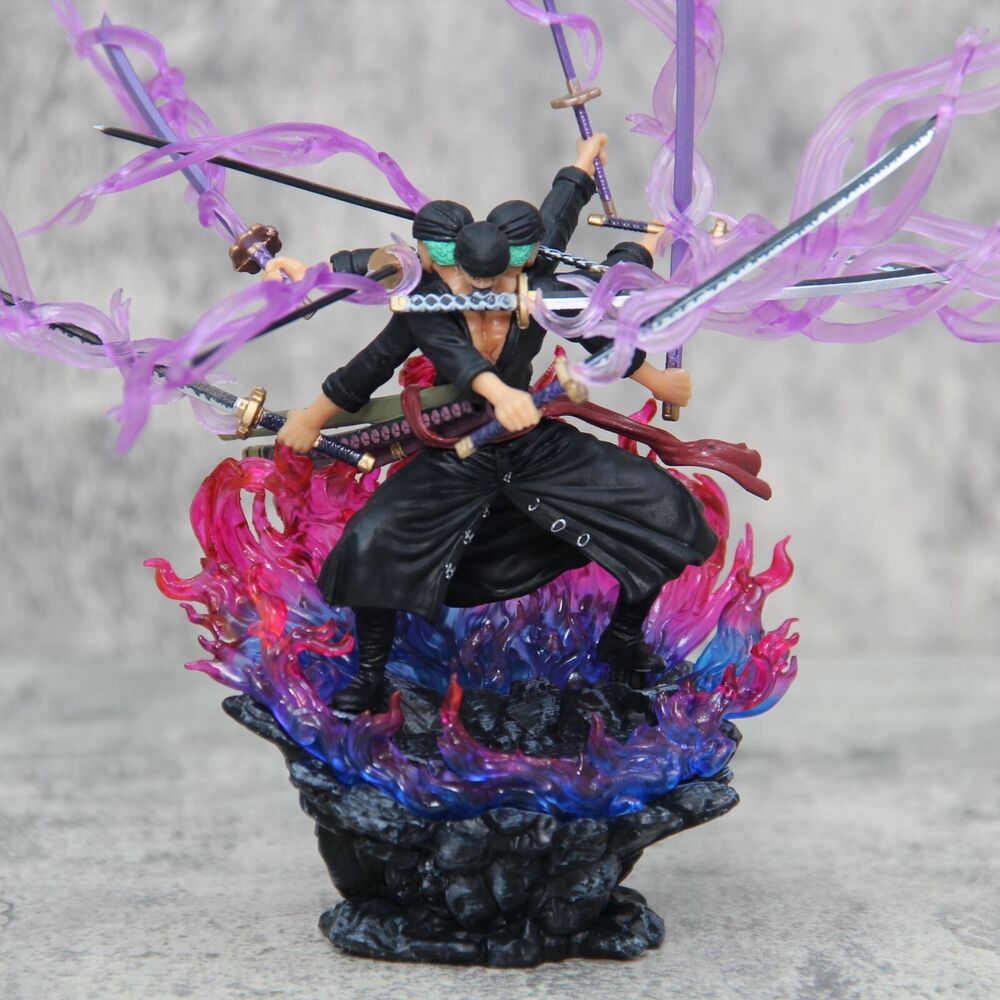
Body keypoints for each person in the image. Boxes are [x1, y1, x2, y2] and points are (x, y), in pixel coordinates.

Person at [265, 137, 714, 712]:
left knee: (664, 510)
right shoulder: (427, 301)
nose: (480, 293)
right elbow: (376, 352)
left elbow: (591, 309)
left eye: (495, 282)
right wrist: (310, 411)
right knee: (370, 541)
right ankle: (371, 675)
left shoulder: (539, 285)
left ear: (517, 263)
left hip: (532, 446)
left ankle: (622, 640)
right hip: (459, 449)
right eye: (466, 281)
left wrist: (655, 380)